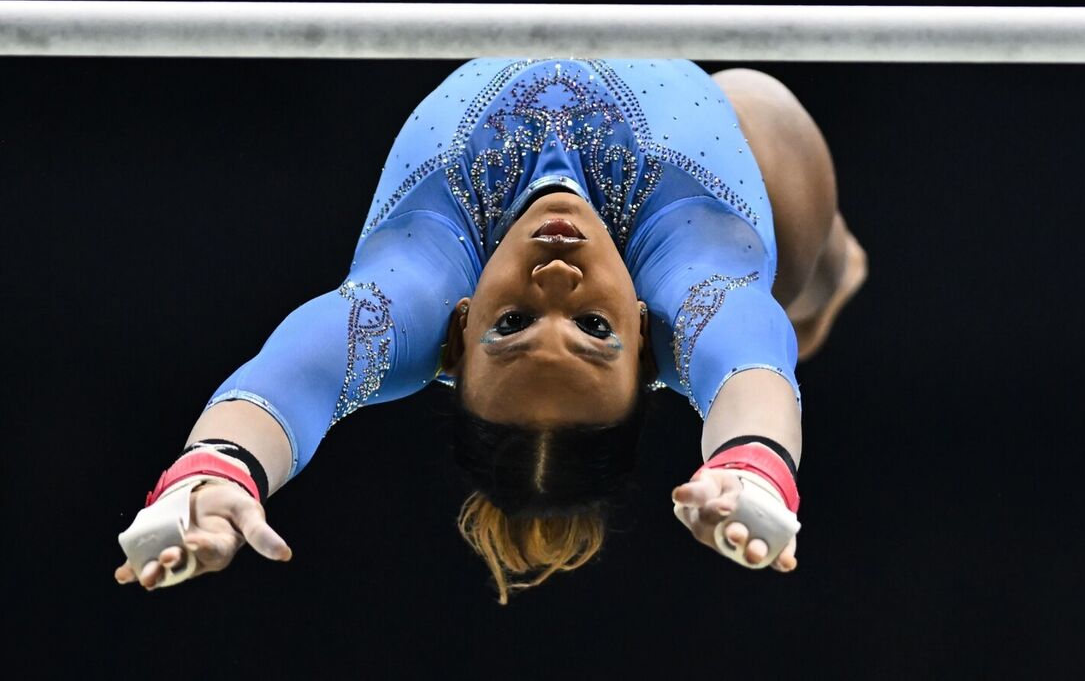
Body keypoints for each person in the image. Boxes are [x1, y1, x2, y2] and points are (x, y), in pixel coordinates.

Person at [114, 59, 866, 604]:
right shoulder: (686, 271)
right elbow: (751, 375)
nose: (556, 279)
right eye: (594, 328)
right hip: (747, 171)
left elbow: (289, 384)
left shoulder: (422, 281)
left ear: (458, 333)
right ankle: (826, 274)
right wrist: (754, 462)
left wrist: (215, 470)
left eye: (512, 325)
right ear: (646, 337)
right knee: (765, 125)